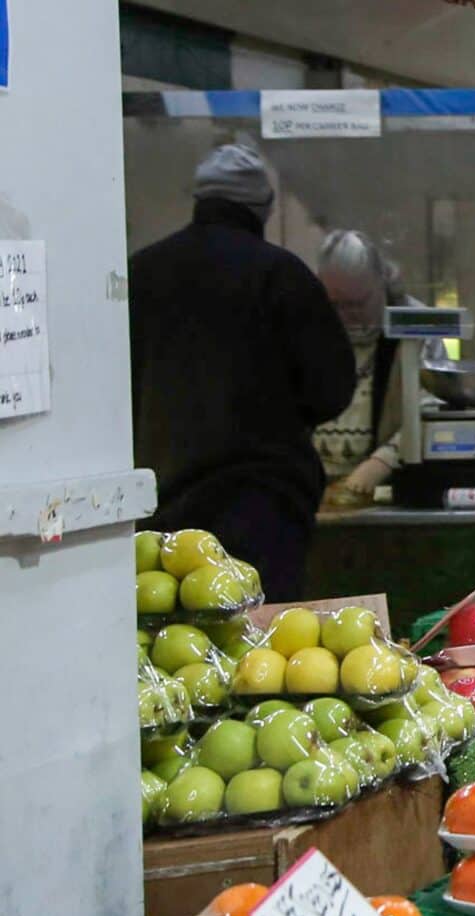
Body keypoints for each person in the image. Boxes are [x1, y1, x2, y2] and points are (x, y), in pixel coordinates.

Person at [129, 145, 355, 599]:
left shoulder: (138, 274)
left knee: (176, 645)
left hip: (158, 502)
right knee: (258, 644)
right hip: (262, 503)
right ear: (262, 209)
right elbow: (331, 388)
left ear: (200, 198)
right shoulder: (281, 276)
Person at [313, 230, 439, 508]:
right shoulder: (308, 325)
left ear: (383, 284)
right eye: (336, 305)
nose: (346, 316)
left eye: (357, 304)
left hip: (388, 491)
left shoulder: (416, 328)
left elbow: (433, 407)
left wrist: (381, 462)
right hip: (313, 491)